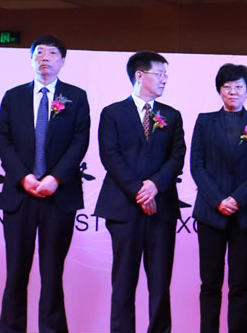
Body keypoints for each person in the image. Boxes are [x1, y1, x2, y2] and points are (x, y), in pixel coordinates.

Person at [0, 35, 92, 333]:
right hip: (20, 194)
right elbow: (4, 141)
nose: (45, 58)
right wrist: (24, 176)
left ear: (62, 61)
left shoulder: (76, 97)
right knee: (16, 272)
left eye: (52, 53)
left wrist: (55, 177)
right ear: (31, 59)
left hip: (58, 196)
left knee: (52, 273)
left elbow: (79, 142)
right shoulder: (13, 96)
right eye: (39, 53)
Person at [97, 51, 187, 333]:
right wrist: (140, 191)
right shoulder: (112, 113)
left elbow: (177, 157)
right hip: (124, 207)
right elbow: (110, 156)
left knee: (160, 283)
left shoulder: (171, 115)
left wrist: (154, 186)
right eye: (159, 74)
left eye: (166, 75)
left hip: (162, 209)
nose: (164, 79)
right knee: (123, 281)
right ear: (139, 75)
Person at [191, 63, 247, 333]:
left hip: (246, 212)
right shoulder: (205, 121)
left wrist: (237, 198)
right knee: (210, 284)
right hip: (210, 212)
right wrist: (218, 200)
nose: (233, 91)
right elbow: (197, 165)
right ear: (219, 90)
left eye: (239, 87)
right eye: (227, 87)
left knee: (240, 285)